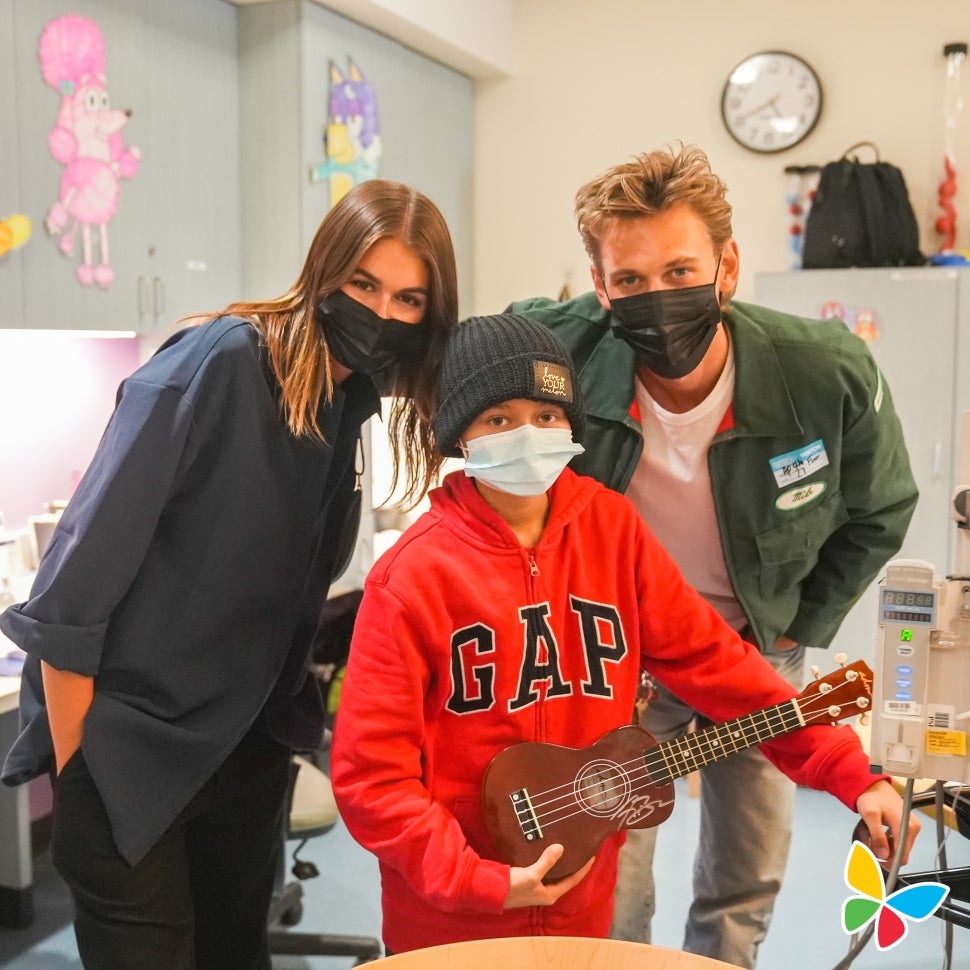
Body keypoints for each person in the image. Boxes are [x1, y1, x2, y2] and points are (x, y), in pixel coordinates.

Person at [329, 312, 919, 957]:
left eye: (546, 415)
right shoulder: (412, 577)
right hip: (451, 921)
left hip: (581, 904)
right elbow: (372, 778)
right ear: (459, 434)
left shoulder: (613, 532)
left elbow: (719, 665)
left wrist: (848, 772)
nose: (527, 434)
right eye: (498, 419)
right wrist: (477, 880)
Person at [0, 178, 458, 970]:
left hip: (242, 756)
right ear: (324, 272)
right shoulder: (217, 365)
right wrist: (83, 777)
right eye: (364, 284)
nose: (383, 313)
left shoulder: (350, 404)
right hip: (128, 759)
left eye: (409, 298)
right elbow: (67, 605)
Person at [506, 145, 920, 968]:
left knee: (746, 872)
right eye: (631, 280)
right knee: (611, 875)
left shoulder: (823, 370)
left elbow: (882, 511)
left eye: (680, 270)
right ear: (601, 284)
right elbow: (441, 358)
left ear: (728, 265)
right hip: (625, 661)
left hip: (758, 649)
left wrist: (795, 630)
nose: (657, 298)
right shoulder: (559, 353)